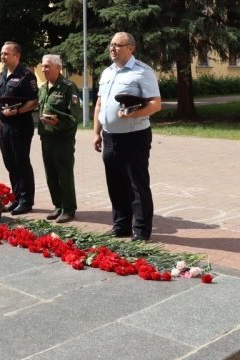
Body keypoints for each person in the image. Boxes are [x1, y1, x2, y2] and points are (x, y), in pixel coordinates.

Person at [92, 32, 161, 241]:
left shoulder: (142, 72)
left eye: (117, 45)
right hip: (110, 137)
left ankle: (141, 229)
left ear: (130, 48)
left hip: (134, 137)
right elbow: (99, 104)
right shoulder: (107, 72)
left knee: (136, 184)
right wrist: (96, 132)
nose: (112, 49)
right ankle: (121, 225)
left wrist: (133, 113)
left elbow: (155, 104)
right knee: (115, 183)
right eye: (110, 44)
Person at [0, 41, 38, 215]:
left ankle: (26, 201)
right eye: (2, 53)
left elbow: (34, 101)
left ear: (17, 56)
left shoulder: (26, 75)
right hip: (4, 126)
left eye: (6, 54)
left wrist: (18, 110)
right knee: (10, 163)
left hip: (20, 126)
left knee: (21, 163)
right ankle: (16, 198)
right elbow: (0, 101)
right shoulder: (3, 74)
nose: (3, 57)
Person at [37, 54, 81, 223]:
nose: (43, 69)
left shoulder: (68, 87)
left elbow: (73, 116)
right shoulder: (43, 88)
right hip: (46, 137)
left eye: (47, 66)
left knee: (64, 173)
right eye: (42, 66)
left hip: (62, 138)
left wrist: (58, 122)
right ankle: (58, 205)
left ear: (58, 68)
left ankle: (69, 209)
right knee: (51, 174)